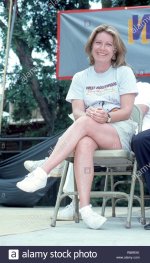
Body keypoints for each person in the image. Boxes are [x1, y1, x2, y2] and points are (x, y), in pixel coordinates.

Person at [16, 24, 138, 230]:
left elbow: (126, 111)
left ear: (115, 50)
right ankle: (85, 209)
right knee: (83, 143)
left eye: (109, 44)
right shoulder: (80, 77)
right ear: (91, 47)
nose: (103, 47)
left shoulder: (123, 73)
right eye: (98, 43)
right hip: (89, 130)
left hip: (117, 132)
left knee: (83, 124)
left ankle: (44, 170)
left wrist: (106, 116)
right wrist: (90, 115)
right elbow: (78, 111)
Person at [131, 81, 150, 230]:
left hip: (140, 135)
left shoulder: (142, 87)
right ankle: (75, 202)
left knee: (141, 140)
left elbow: (138, 113)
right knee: (81, 139)